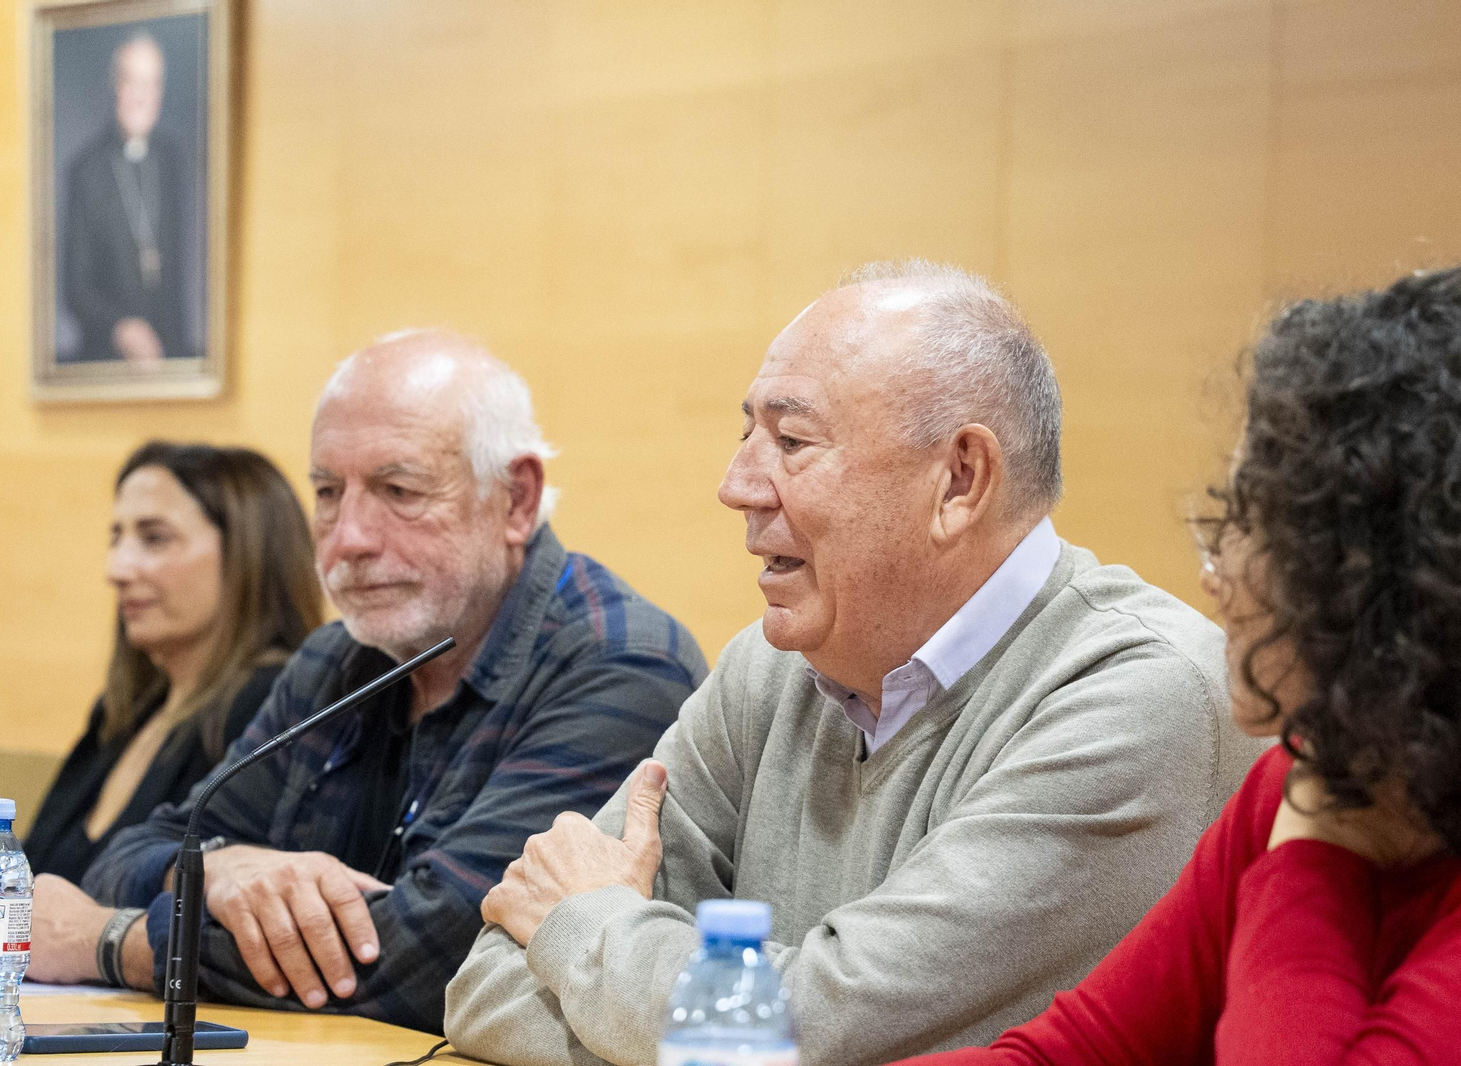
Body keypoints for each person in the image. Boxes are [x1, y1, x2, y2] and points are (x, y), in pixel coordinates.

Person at [442, 261, 1265, 1065]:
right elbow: (485, 988)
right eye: (746, 433)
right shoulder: (769, 670)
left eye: (791, 441)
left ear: (960, 481)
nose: (737, 485)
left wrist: (587, 927)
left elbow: (818, 1036)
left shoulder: (1138, 697)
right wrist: (660, 1010)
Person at [885, 264, 1461, 1066]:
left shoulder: (1318, 806)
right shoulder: (1308, 780)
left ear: (1378, 578)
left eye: (1249, 522)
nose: (1215, 572)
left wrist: (1315, 859)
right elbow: (1072, 1052)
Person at [24, 329, 708, 1034]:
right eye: (327, 491)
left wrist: (113, 943)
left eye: (398, 490)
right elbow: (137, 851)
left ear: (516, 500)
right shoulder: (337, 658)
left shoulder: (620, 666)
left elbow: (433, 957)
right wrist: (223, 870)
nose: (348, 537)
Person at [24, 440, 323, 886]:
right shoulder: (125, 710)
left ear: (248, 551)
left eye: (154, 538)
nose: (117, 569)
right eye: (116, 537)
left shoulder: (273, 707)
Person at [61, 31, 191, 364]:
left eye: (152, 84)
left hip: (171, 356)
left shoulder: (172, 161)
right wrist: (121, 329)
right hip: (106, 357)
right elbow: (75, 287)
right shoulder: (86, 170)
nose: (142, 97)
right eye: (133, 82)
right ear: (115, 86)